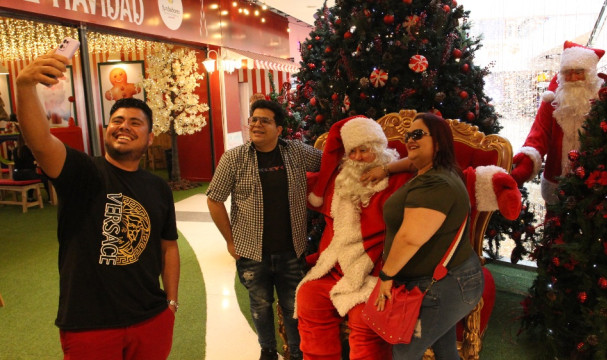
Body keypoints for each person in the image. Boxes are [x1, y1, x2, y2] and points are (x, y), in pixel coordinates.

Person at [16, 50, 180, 359]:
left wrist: (170, 303)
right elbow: (40, 141)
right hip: (90, 324)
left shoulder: (158, 187)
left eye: (135, 122)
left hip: (151, 318)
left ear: (149, 138)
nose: (124, 126)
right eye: (116, 120)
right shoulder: (81, 172)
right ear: (106, 130)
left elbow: (168, 246)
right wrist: (25, 86)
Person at [206, 99, 322, 360]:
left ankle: (295, 353)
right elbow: (214, 198)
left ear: (279, 129)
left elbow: (330, 162)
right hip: (251, 251)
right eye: (254, 119)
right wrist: (230, 241)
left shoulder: (296, 152)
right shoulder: (234, 158)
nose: (256, 124)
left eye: (265, 120)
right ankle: (267, 350)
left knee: (292, 306)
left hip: (291, 250)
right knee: (260, 305)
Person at [295, 116, 413, 360]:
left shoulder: (400, 179)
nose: (358, 157)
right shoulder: (340, 180)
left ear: (380, 150)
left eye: (364, 150)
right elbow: (302, 185)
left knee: (365, 315)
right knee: (309, 295)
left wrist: (491, 181)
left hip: (375, 271)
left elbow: (443, 174)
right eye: (352, 152)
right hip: (336, 267)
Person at [374, 113, 485, 359]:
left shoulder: (436, 184)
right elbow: (413, 162)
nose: (409, 140)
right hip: (443, 280)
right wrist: (386, 169)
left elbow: (410, 238)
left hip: (444, 285)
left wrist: (386, 276)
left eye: (417, 134)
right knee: (445, 351)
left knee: (404, 353)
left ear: (439, 141)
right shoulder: (437, 170)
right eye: (407, 136)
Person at [511, 41, 605, 207]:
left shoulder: (603, 102)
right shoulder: (553, 101)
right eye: (567, 72)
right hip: (556, 186)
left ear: (589, 74)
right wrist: (524, 166)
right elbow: (538, 136)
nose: (573, 78)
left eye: (579, 72)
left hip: (596, 186)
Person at [11, 128, 49, 200]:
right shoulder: (27, 149)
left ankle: (30, 197)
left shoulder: (15, 149)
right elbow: (30, 164)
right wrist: (35, 163)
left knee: (32, 174)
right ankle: (50, 198)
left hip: (16, 175)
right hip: (26, 174)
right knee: (45, 178)